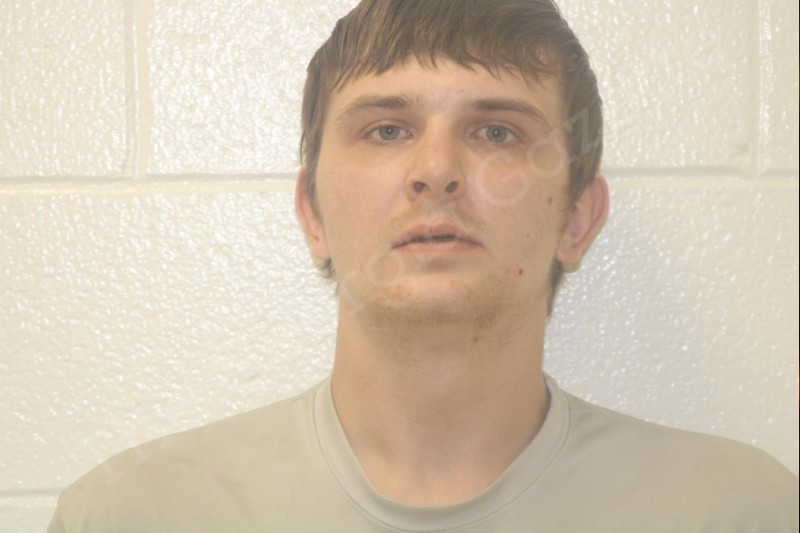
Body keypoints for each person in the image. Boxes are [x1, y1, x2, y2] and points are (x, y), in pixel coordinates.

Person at [47, 1, 798, 531]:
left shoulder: (738, 512)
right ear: (313, 213)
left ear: (576, 218)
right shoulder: (133, 515)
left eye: (497, 132)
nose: (436, 171)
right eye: (386, 129)